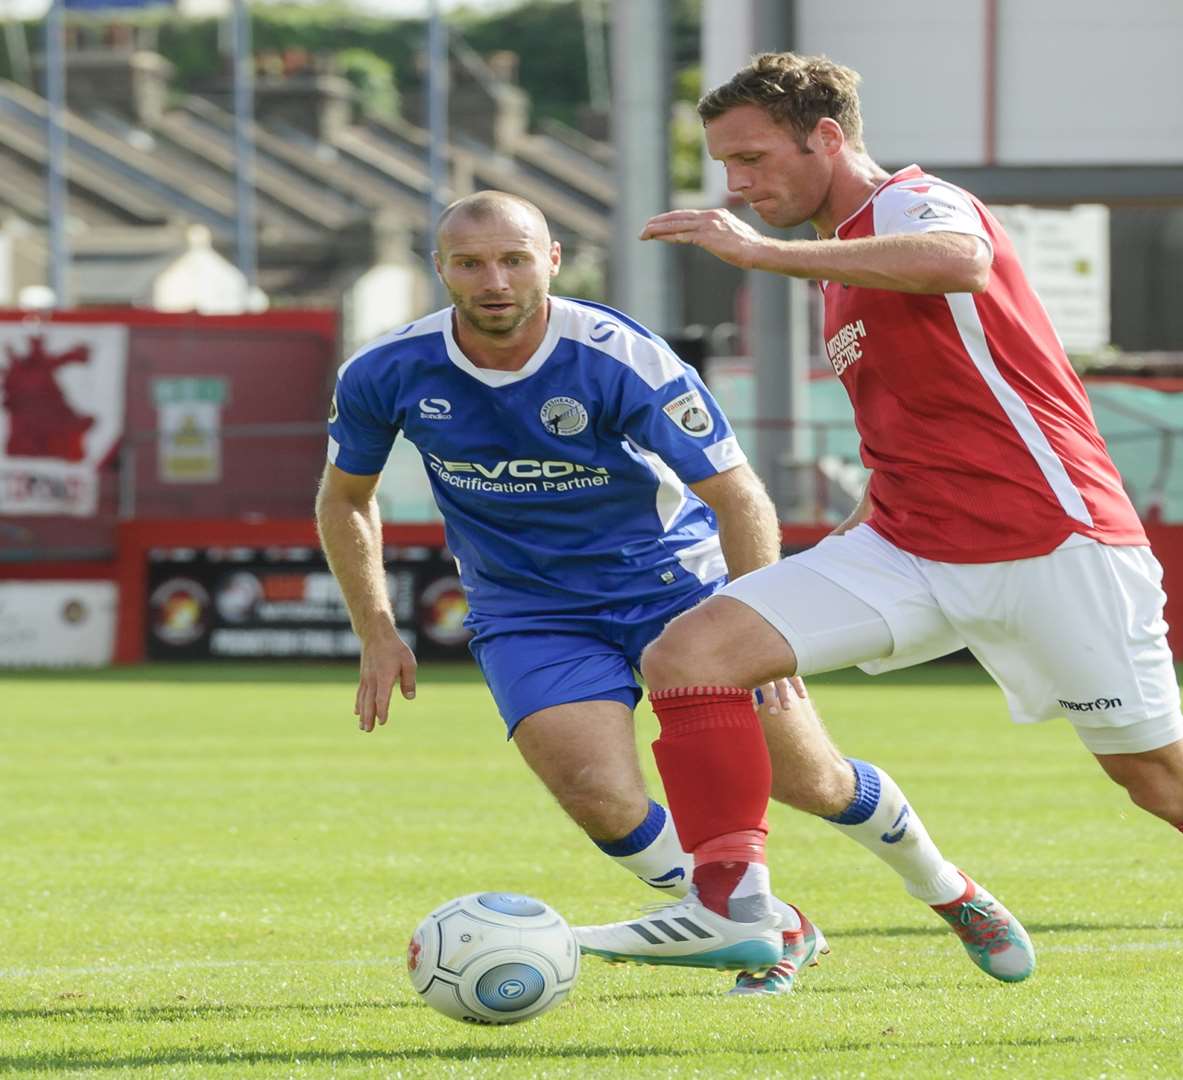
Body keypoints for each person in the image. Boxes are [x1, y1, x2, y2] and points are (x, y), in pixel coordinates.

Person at [567, 53, 1183, 1040]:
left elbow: (959, 261)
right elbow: (924, 419)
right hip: (910, 545)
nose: (737, 186)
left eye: (751, 158)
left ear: (827, 138)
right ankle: (730, 902)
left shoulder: (918, 204)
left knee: (1160, 777)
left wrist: (764, 255)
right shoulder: (839, 266)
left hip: (1058, 544)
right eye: (724, 166)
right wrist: (854, 526)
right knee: (691, 656)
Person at [315, 190, 1033, 997]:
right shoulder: (386, 370)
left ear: (550, 261)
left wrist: (764, 626)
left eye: (515, 259)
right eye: (471, 262)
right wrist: (377, 628)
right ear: (439, 268)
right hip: (528, 612)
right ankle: (762, 921)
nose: (495, 280)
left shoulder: (618, 354)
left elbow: (738, 496)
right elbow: (344, 496)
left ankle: (946, 888)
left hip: (675, 592)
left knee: (811, 782)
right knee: (596, 796)